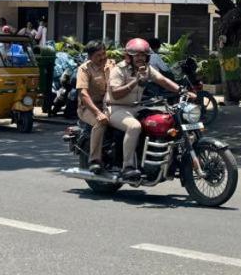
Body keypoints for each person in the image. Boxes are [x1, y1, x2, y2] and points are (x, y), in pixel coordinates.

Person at [106, 37, 184, 181]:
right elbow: (115, 94)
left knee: (163, 120)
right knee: (134, 127)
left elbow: (162, 80)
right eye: (136, 55)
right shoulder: (119, 70)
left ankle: (162, 161)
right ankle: (127, 167)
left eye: (143, 55)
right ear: (129, 57)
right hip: (116, 108)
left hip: (137, 107)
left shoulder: (146, 69)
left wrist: (182, 90)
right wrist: (135, 80)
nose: (140, 58)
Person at [76, 41, 112, 173]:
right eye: (98, 55)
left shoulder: (112, 65)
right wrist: (98, 113)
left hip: (110, 105)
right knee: (100, 122)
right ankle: (94, 160)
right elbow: (83, 94)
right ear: (90, 57)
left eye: (104, 53)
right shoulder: (84, 69)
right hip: (89, 107)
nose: (103, 57)